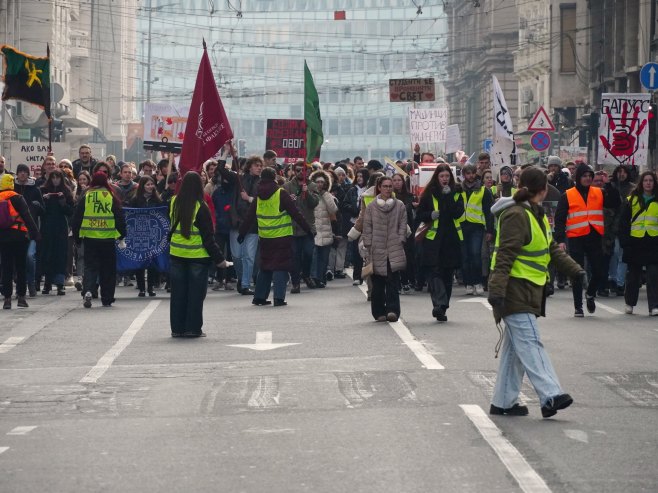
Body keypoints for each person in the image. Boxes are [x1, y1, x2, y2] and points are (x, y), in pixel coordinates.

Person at [488, 167, 584, 418]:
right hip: (514, 290)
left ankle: (503, 402)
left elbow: (551, 248)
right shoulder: (517, 215)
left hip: (528, 289)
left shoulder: (534, 213)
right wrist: (497, 291)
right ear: (543, 191)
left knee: (515, 350)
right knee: (531, 342)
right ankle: (551, 395)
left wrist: (575, 271)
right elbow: (505, 255)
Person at [554, 164, 621, 317]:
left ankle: (590, 294)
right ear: (578, 177)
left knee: (599, 271)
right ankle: (578, 307)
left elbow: (615, 203)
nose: (588, 178)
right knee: (578, 273)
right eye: (584, 176)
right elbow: (559, 219)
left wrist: (609, 183)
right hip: (576, 237)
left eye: (590, 176)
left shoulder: (599, 192)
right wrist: (560, 240)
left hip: (595, 237)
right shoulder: (568, 195)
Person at [238, 167, 312, 306]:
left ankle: (259, 297)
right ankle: (278, 298)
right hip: (282, 236)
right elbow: (296, 214)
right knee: (281, 266)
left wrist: (242, 233)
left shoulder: (258, 195)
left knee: (265, 266)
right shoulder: (281, 193)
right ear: (274, 177)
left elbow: (249, 217)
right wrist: (308, 230)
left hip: (265, 236)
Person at [169, 172, 228, 337]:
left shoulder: (173, 202)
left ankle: (177, 329)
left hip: (177, 254)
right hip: (197, 257)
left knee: (178, 294)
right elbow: (208, 238)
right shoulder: (201, 207)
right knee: (195, 295)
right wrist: (220, 260)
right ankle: (193, 328)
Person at [417, 164, 465, 322]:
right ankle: (438, 303)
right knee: (434, 272)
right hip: (433, 239)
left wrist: (449, 196)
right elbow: (419, 215)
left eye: (447, 176)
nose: (445, 179)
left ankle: (443, 308)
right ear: (437, 178)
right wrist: (430, 214)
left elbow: (458, 213)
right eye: (442, 176)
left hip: (450, 239)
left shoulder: (457, 192)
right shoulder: (429, 193)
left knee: (447, 274)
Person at [72, 171, 126, 308]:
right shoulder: (110, 196)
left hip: (90, 238)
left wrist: (77, 238)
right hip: (107, 239)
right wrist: (122, 235)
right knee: (108, 270)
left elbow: (77, 218)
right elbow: (119, 217)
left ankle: (89, 290)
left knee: (90, 267)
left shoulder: (87, 196)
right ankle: (107, 298)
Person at [362, 175, 407, 322]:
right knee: (378, 282)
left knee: (393, 280)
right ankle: (379, 312)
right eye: (385, 186)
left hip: (394, 247)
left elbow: (402, 224)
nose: (388, 189)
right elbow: (367, 226)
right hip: (377, 248)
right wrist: (368, 244)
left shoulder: (399, 205)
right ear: (379, 188)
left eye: (390, 186)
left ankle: (393, 310)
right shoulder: (372, 207)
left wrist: (400, 239)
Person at [618, 171, 658, 316]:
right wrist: (625, 243)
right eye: (646, 180)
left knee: (653, 275)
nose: (648, 183)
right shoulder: (631, 199)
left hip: (653, 242)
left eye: (651, 181)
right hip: (635, 242)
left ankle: (654, 306)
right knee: (633, 275)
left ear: (654, 183)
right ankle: (629, 303)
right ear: (641, 183)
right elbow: (623, 223)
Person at [0, 174, 40, 309]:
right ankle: (21, 298)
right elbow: (27, 216)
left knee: (6, 268)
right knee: (21, 266)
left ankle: (6, 299)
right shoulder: (18, 198)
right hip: (19, 236)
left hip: (3, 238)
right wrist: (35, 234)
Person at [283, 161, 320, 293]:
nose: (300, 173)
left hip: (307, 226)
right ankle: (295, 282)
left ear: (308, 172)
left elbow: (314, 203)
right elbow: (281, 206)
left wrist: (307, 192)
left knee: (309, 253)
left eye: (303, 170)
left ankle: (306, 274)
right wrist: (289, 201)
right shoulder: (287, 186)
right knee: (294, 256)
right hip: (292, 227)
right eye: (297, 170)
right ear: (294, 171)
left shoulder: (313, 185)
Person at [460, 163, 494, 295]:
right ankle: (468, 283)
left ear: (476, 174)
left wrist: (490, 230)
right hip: (462, 226)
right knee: (465, 256)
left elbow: (488, 211)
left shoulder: (483, 190)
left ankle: (477, 282)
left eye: (473, 173)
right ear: (464, 175)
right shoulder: (459, 189)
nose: (470, 176)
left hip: (476, 227)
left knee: (475, 254)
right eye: (468, 173)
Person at [40, 169, 75, 295]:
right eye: (53, 177)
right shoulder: (43, 190)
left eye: (57, 177)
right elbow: (40, 211)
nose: (55, 180)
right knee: (48, 254)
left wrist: (62, 201)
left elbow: (70, 211)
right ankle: (48, 283)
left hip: (60, 226)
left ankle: (60, 283)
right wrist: (44, 200)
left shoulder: (66, 191)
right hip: (47, 226)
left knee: (61, 254)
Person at [231, 156, 263, 295]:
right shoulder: (239, 179)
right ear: (249, 166)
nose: (259, 168)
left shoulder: (262, 183)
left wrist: (249, 198)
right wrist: (226, 151)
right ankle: (240, 278)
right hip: (237, 223)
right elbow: (222, 171)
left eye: (260, 166)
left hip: (253, 225)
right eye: (256, 165)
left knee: (249, 256)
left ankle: (245, 284)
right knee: (237, 256)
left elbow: (263, 202)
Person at [14, 163, 44, 297]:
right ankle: (19, 282)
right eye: (20, 172)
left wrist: (37, 206)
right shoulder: (12, 188)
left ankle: (31, 282)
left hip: (31, 229)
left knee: (30, 256)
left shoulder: (35, 189)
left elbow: (43, 210)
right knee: (16, 258)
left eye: (25, 172)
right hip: (15, 229)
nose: (22, 174)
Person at [130, 176, 163, 297]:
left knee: (152, 262)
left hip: (153, 235)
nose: (150, 187)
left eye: (152, 184)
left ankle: (150, 287)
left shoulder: (158, 200)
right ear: (142, 186)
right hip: (139, 235)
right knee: (140, 261)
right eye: (148, 184)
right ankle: (141, 288)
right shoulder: (135, 200)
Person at [310, 169, 338, 288]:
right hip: (314, 230)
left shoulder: (328, 195)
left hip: (326, 230)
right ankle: (314, 277)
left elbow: (333, 210)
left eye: (322, 182)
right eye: (317, 182)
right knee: (314, 257)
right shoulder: (310, 195)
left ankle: (321, 278)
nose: (319, 184)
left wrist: (326, 195)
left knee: (324, 258)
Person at [342, 168, 369, 285]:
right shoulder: (352, 190)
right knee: (356, 250)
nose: (359, 178)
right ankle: (357, 276)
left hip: (368, 223)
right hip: (355, 222)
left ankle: (369, 275)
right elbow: (344, 204)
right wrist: (353, 209)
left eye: (362, 176)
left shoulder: (370, 190)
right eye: (357, 176)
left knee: (368, 251)